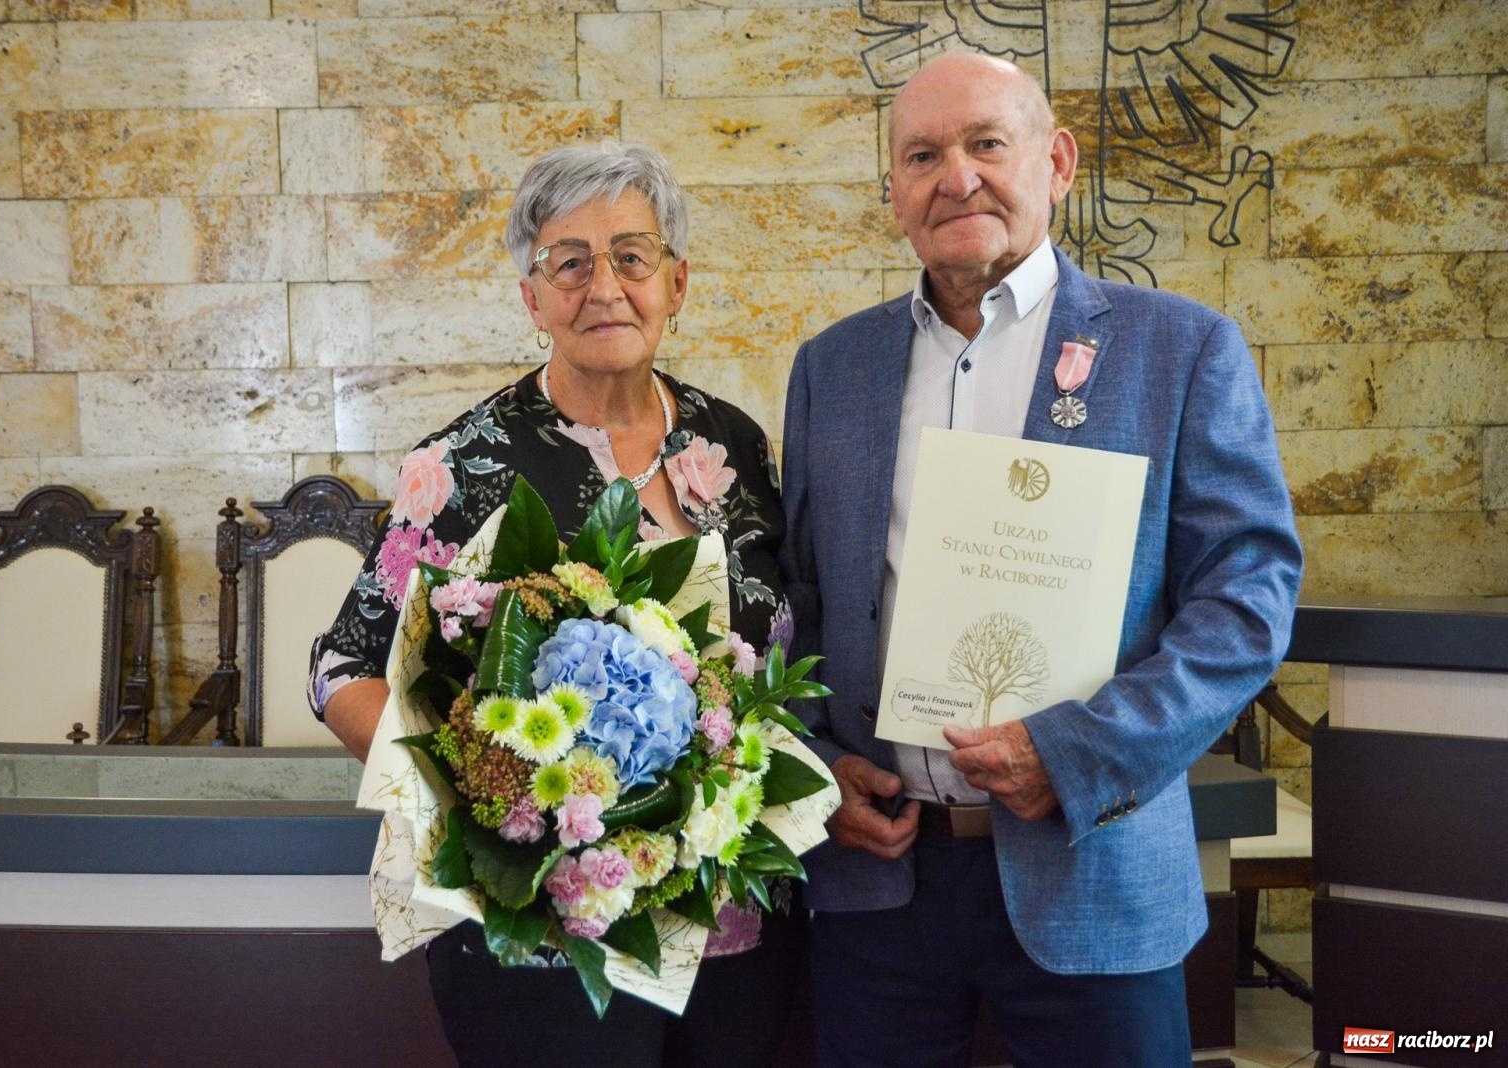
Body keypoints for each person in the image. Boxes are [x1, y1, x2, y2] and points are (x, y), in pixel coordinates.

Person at [779, 51, 1302, 1067]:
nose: (955, 177)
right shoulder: (829, 369)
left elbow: (1247, 602)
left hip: (1095, 869)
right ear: (892, 191)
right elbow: (795, 603)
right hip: (879, 883)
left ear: (1057, 162)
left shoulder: (1181, 349)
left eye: (986, 143)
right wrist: (814, 765)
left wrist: (1074, 754)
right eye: (921, 156)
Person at [309, 142, 800, 1066]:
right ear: (533, 299)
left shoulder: (735, 444)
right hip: (546, 944)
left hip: (733, 932)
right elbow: (341, 669)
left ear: (677, 282)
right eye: (569, 263)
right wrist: (481, 796)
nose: (604, 287)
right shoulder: (462, 465)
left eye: (631, 256)